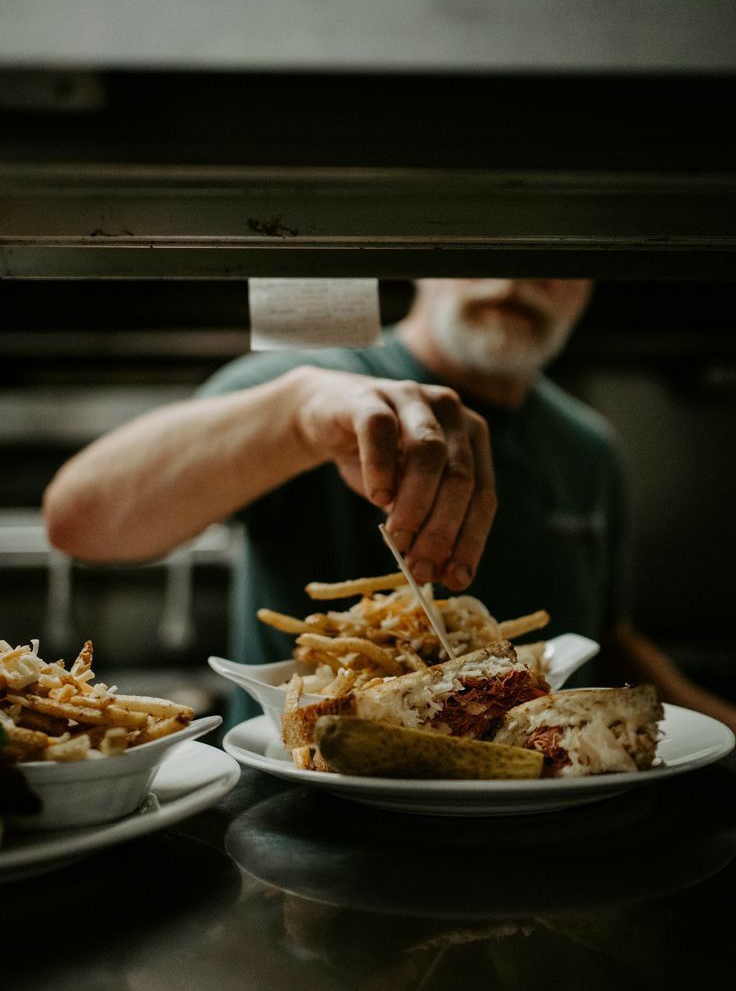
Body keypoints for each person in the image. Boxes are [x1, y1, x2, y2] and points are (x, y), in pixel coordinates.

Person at [43, 279, 736, 730]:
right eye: (484, 237)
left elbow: (608, 639)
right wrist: (299, 418)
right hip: (304, 826)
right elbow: (82, 521)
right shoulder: (315, 386)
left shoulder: (590, 449)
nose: (517, 274)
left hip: (543, 814)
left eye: (557, 250)